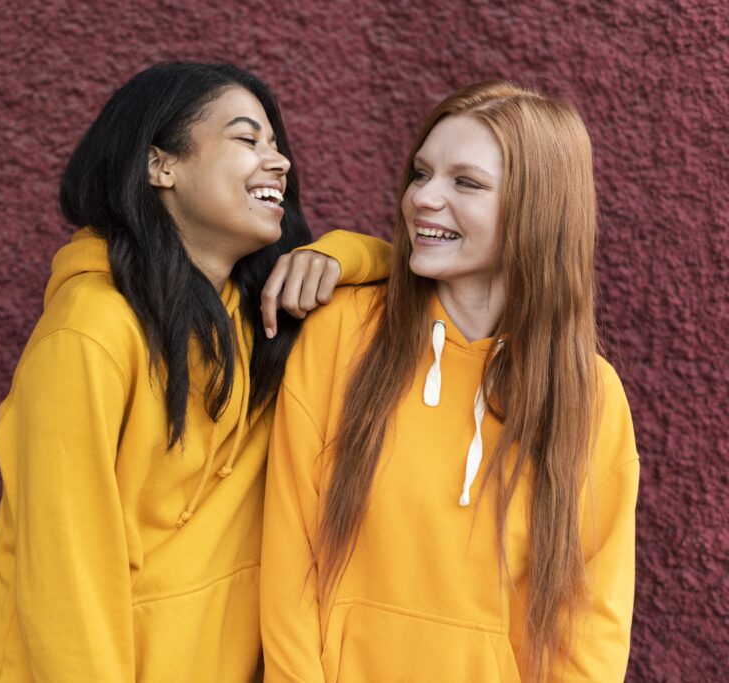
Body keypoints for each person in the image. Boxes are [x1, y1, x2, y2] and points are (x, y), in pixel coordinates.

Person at [0, 62, 392, 682]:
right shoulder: (89, 331)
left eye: (278, 148)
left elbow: (416, 281)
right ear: (160, 166)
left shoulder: (259, 318)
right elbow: (66, 575)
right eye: (248, 140)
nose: (278, 163)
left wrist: (340, 252)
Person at [260, 81, 639, 682]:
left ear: (537, 208)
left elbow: (590, 627)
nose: (424, 199)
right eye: (421, 173)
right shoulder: (344, 335)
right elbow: (287, 560)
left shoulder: (588, 396)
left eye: (465, 182)